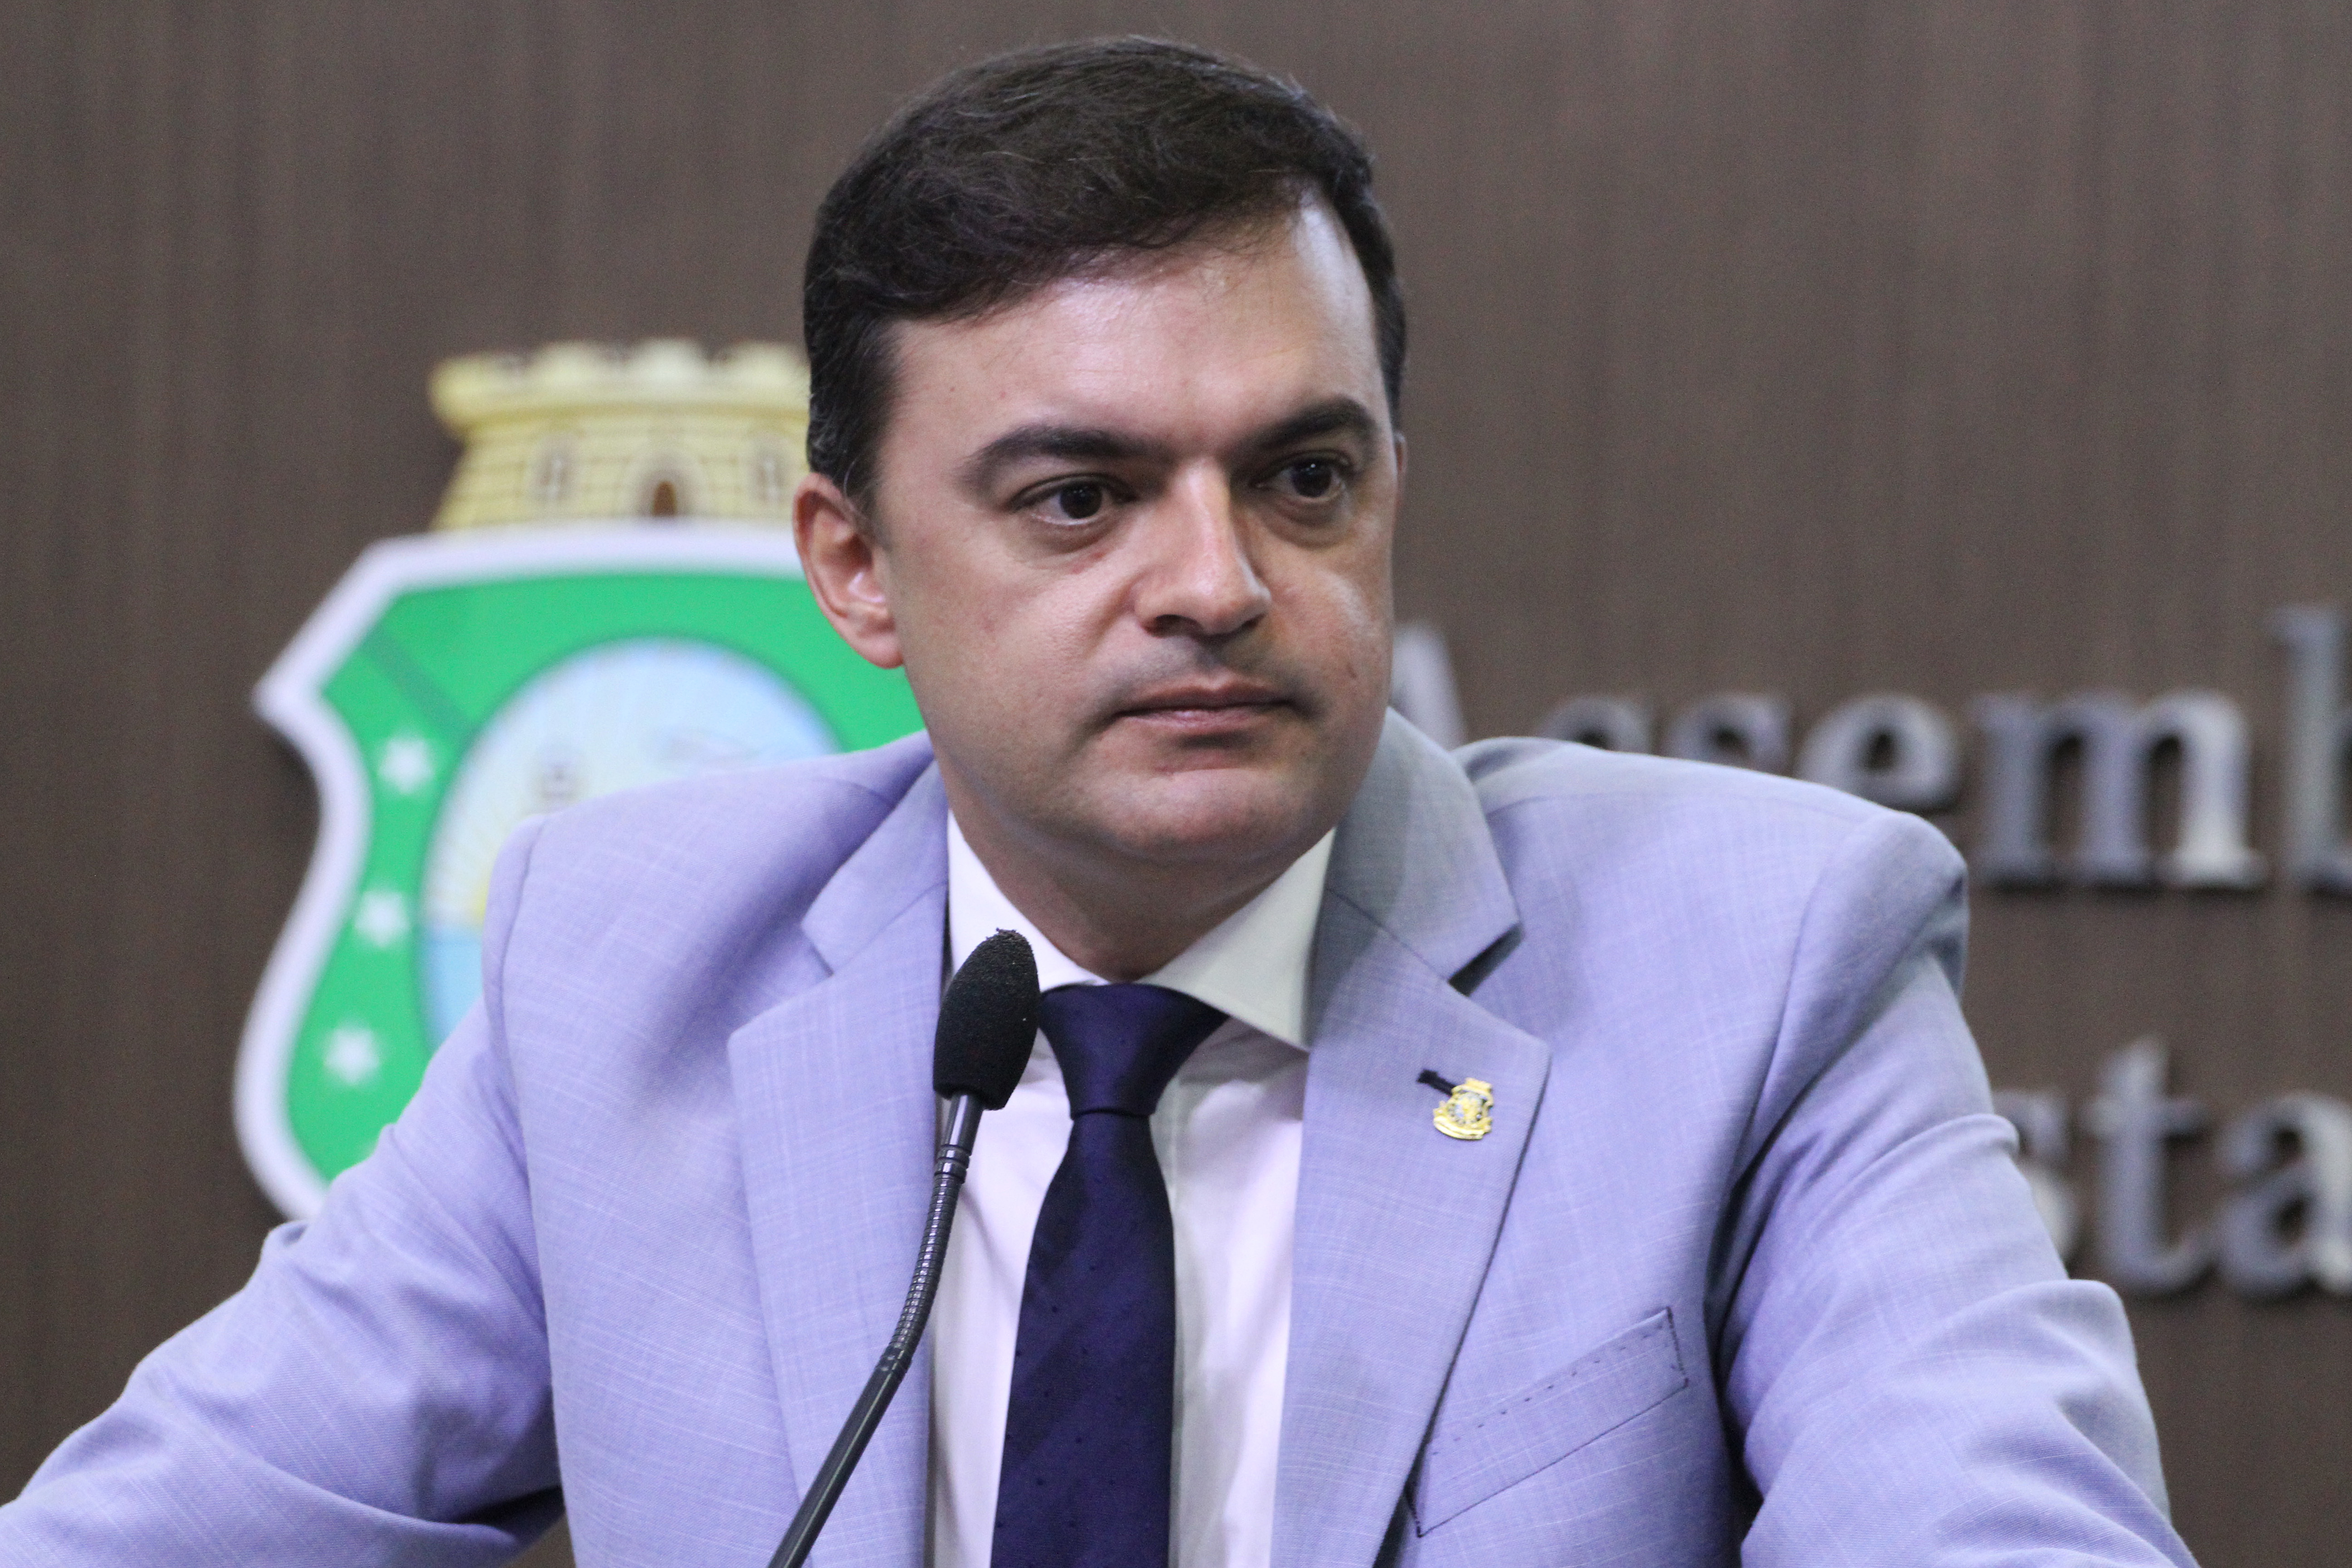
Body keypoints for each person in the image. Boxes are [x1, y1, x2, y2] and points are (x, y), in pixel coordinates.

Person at [1, 36, 2193, 1568]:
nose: (1219, 583)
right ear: (855, 566)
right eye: (1081, 497)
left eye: (1304, 478)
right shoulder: (624, 978)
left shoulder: (1765, 964)